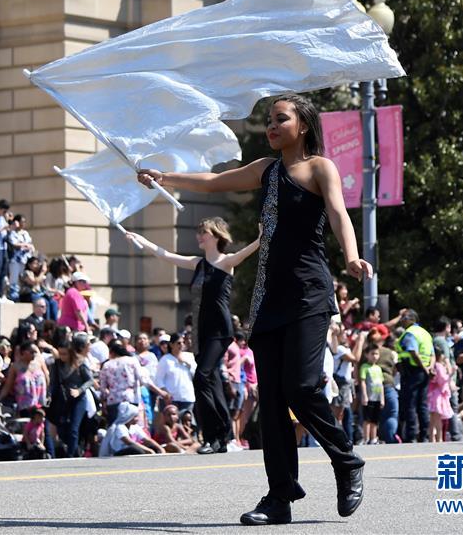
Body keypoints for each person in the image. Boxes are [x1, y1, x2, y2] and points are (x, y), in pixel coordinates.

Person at [138, 94, 370, 525]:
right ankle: (279, 495)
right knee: (274, 399)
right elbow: (212, 182)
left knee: (301, 387)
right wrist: (163, 177)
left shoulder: (320, 168)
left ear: (303, 125)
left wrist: (352, 257)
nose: (272, 125)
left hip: (309, 293)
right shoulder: (266, 169)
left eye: (281, 118)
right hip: (266, 300)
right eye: (269, 120)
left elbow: (339, 214)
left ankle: (347, 461)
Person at [126, 218, 260, 455]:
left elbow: (247, 251)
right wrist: (142, 241)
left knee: (202, 377)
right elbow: (166, 255)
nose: (199, 236)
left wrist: (262, 238)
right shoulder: (197, 263)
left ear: (216, 236)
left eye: (204, 232)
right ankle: (221, 437)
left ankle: (212, 435)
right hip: (201, 331)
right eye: (199, 232)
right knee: (211, 382)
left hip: (220, 331)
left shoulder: (226, 262)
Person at [49, 332, 95, 457]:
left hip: (78, 399)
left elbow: (90, 380)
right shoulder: (56, 365)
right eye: (60, 353)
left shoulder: (80, 363)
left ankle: (70, 456)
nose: (62, 356)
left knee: (73, 429)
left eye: (65, 354)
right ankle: (75, 451)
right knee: (62, 429)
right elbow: (53, 383)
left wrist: (79, 390)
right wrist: (49, 395)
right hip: (62, 400)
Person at [394, 310, 434, 443]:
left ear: (412, 319)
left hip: (412, 371)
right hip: (424, 372)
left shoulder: (410, 333)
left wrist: (423, 367)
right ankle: (424, 435)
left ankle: (411, 436)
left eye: (404, 318)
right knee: (422, 404)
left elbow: (412, 351)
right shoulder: (425, 333)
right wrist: (429, 368)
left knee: (410, 404)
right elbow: (432, 355)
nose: (402, 320)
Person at [358, 344, 384, 445]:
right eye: (372, 353)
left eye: (377, 354)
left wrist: (382, 398)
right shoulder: (364, 367)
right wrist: (364, 395)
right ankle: (366, 438)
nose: (375, 356)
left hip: (377, 397)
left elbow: (381, 384)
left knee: (375, 420)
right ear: (366, 355)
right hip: (369, 397)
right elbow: (363, 382)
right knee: (367, 419)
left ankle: (374, 438)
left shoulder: (378, 368)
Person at [427, 348, 454, 443]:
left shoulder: (432, 366)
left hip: (431, 393)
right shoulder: (439, 366)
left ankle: (431, 437)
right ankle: (439, 437)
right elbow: (442, 379)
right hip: (438, 394)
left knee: (432, 418)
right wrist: (451, 373)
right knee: (438, 418)